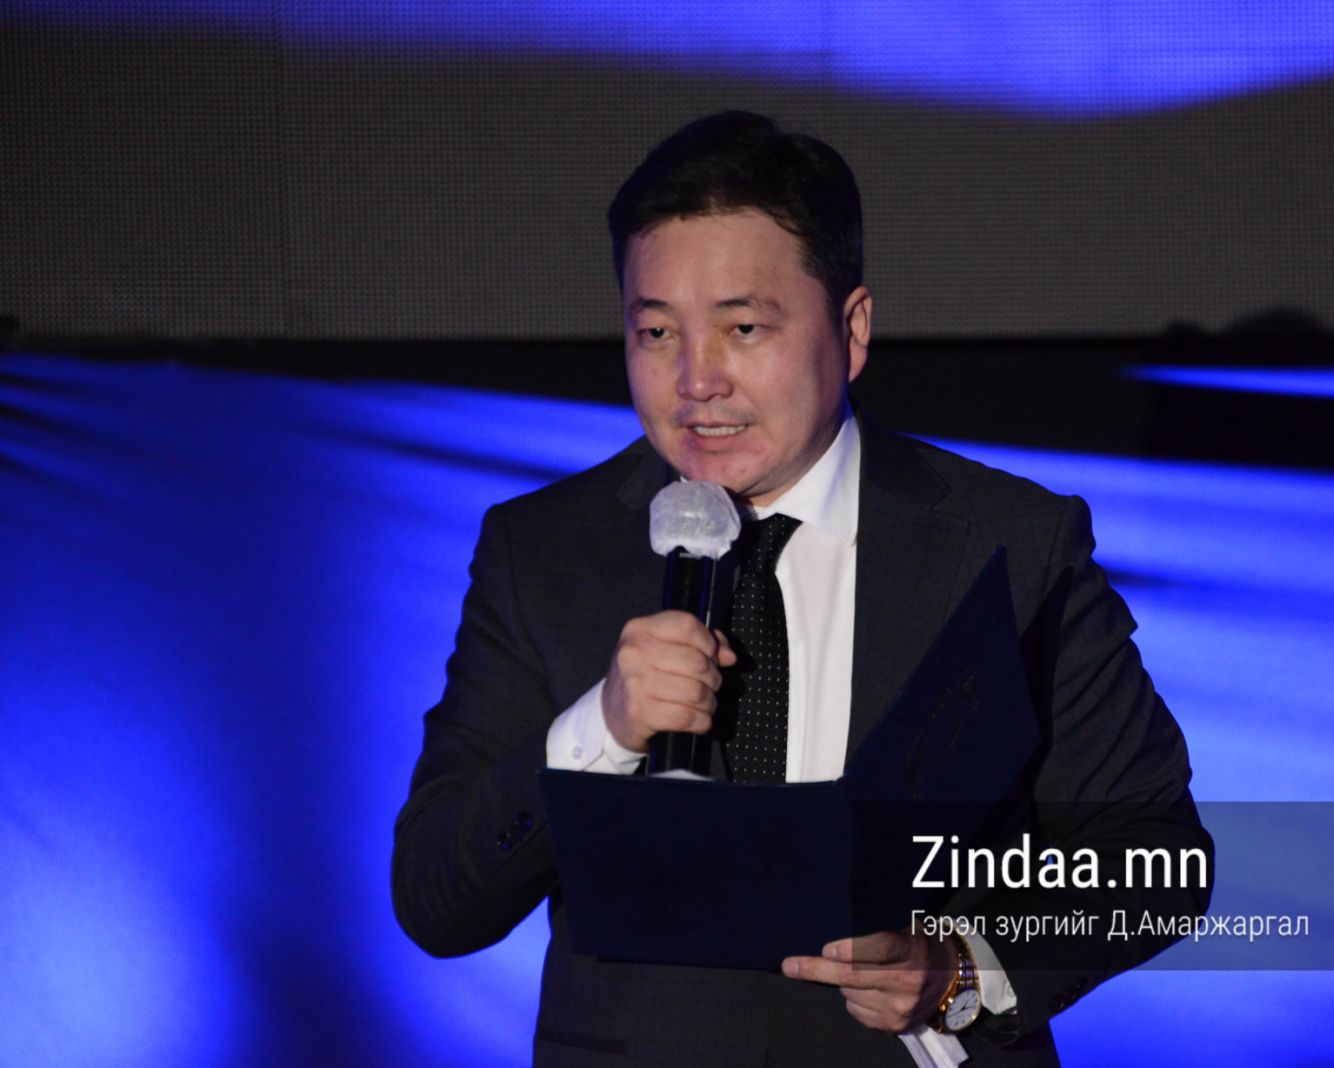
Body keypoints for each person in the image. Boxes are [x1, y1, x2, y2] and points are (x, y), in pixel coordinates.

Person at [392, 111, 1210, 1066]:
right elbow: (435, 899)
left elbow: (1154, 855)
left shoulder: (1011, 543)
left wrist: (960, 967)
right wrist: (599, 730)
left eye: (743, 328)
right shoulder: (542, 550)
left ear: (851, 331)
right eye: (656, 331)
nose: (696, 380)